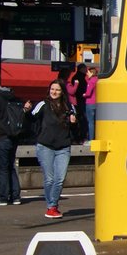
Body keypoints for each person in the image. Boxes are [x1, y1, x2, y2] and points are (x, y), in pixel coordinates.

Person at [30, 80, 75, 219]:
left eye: (57, 90)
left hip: (63, 146)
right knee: (49, 179)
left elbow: (77, 128)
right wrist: (26, 110)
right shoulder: (43, 105)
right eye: (52, 89)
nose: (54, 92)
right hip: (45, 146)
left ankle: (53, 205)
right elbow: (31, 119)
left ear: (62, 92)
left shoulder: (69, 107)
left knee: (59, 178)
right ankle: (51, 206)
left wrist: (74, 121)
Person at [0, 86, 26, 205]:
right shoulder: (13, 97)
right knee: (11, 166)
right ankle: (15, 196)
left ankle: (3, 197)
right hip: (14, 135)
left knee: (2, 168)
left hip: (2, 135)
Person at [70, 63, 87, 142]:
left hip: (80, 100)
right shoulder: (79, 78)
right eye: (85, 68)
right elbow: (76, 90)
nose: (86, 70)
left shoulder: (76, 77)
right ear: (81, 69)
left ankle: (79, 136)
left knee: (81, 118)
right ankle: (81, 136)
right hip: (81, 100)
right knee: (82, 118)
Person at [83, 65, 98, 142]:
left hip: (90, 103)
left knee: (90, 122)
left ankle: (91, 139)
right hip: (97, 103)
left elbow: (88, 93)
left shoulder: (91, 81)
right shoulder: (98, 80)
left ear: (91, 73)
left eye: (88, 72)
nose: (86, 74)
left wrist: (84, 94)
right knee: (96, 122)